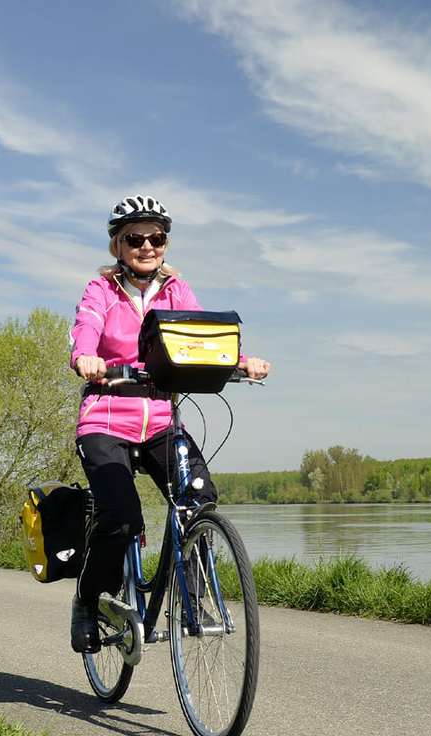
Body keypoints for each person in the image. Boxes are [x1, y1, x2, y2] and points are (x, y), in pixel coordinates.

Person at [67, 195, 270, 652]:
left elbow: (198, 338)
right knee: (120, 517)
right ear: (117, 245)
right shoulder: (100, 290)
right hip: (106, 418)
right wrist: (86, 357)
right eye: (134, 238)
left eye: (155, 238)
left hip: (160, 419)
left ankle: (193, 601)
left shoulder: (178, 290)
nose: (146, 246)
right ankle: (87, 599)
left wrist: (239, 362)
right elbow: (86, 327)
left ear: (165, 243)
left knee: (199, 498)